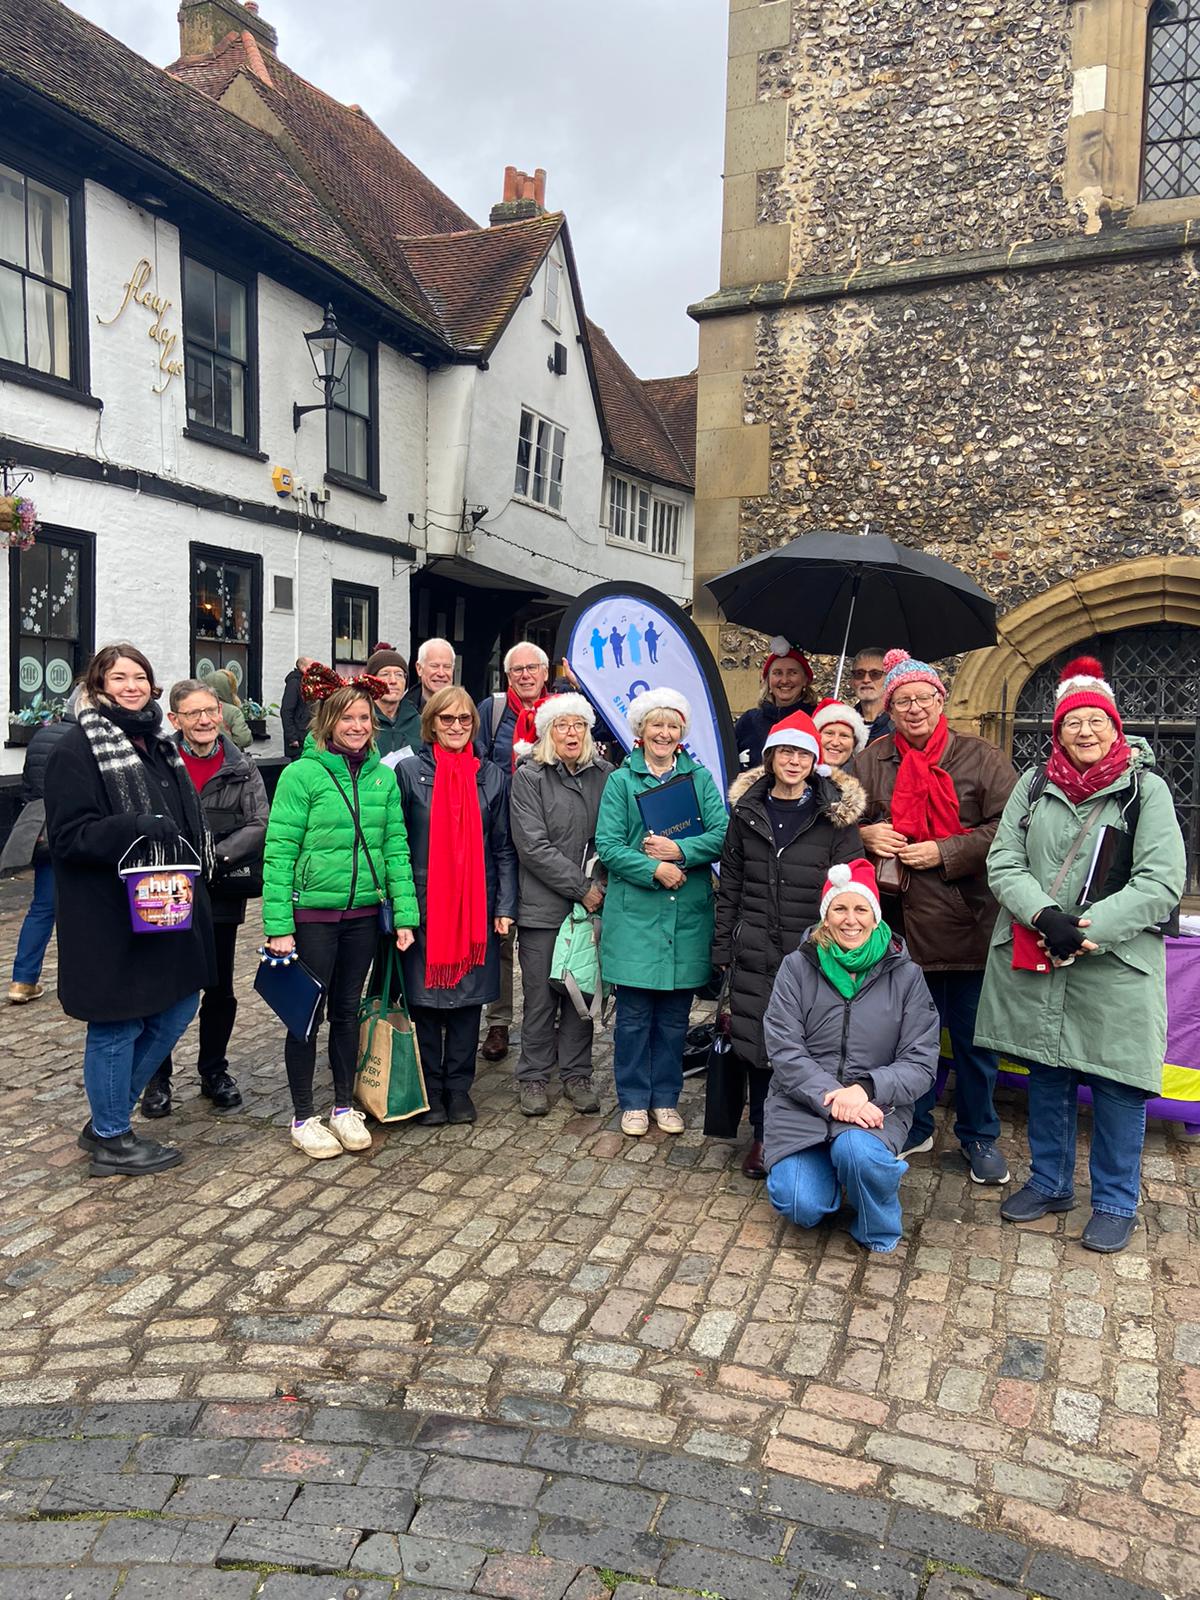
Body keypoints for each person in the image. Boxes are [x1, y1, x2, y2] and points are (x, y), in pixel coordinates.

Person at [976, 656, 1185, 1253]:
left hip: (1113, 962)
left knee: (1117, 1084)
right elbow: (1004, 861)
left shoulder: (1146, 791)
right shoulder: (1033, 785)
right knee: (1049, 1072)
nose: (1085, 731)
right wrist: (1045, 916)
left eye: (1096, 720)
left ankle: (1116, 1201)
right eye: (1073, 722)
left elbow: (1161, 880)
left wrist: (1089, 930)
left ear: (1114, 726)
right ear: (1059, 731)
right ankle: (1050, 1183)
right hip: (1041, 948)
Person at [43, 643, 216, 1177]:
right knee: (116, 1026)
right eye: (119, 677)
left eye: (139, 676)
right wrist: (133, 827)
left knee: (179, 1006)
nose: (132, 686)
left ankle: (106, 1117)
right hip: (109, 917)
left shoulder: (158, 743)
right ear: (98, 684)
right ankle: (113, 1137)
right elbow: (68, 838)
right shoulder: (77, 749)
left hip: (164, 907)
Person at [855, 650, 1017, 1184]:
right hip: (900, 926)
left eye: (924, 697)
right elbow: (836, 818)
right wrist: (864, 834)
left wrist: (946, 851)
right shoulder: (871, 760)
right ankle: (915, 1123)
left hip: (968, 921)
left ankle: (979, 1135)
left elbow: (1011, 827)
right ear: (890, 708)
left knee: (974, 1043)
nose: (915, 708)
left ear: (940, 700)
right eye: (903, 701)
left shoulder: (981, 757)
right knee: (907, 1040)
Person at [263, 667, 418, 1159]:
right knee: (306, 1015)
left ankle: (343, 1106)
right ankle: (303, 1115)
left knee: (348, 1012)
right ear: (328, 721)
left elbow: (395, 848)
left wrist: (405, 915)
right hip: (313, 914)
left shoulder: (382, 777)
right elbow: (279, 852)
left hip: (363, 914)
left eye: (365, 718)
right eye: (348, 718)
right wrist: (278, 926)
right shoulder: (300, 775)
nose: (357, 726)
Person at [713, 709, 866, 1178]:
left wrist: (843, 946)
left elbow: (851, 886)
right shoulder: (747, 813)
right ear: (770, 757)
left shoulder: (833, 817)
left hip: (811, 950)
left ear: (814, 759)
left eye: (803, 753)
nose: (794, 761)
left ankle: (804, 1131)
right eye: (785, 752)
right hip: (755, 945)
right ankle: (763, 1133)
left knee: (808, 1043)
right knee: (761, 1042)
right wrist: (723, 946)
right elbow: (731, 883)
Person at [762, 859, 939, 1252]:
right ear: (826, 916)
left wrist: (865, 1089)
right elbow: (784, 1048)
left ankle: (877, 1221)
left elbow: (921, 1062)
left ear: (875, 916)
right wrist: (835, 1097)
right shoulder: (797, 967)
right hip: (802, 1106)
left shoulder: (906, 976)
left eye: (861, 909)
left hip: (876, 1107)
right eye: (839, 908)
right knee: (799, 1205)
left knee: (857, 1150)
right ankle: (830, 1174)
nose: (850, 920)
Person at [596, 689, 727, 1136]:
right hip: (636, 916)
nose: (665, 733)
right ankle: (634, 1100)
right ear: (641, 729)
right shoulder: (621, 781)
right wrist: (654, 869)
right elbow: (608, 845)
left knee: (674, 1019)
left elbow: (722, 834)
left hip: (686, 916)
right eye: (657, 724)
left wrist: (681, 852)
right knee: (633, 1018)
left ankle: (666, 1098)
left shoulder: (700, 779)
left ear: (681, 732)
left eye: (673, 726)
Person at [139, 678, 269, 1118]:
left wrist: (216, 856)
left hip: (221, 887)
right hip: (169, 887)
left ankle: (214, 1070)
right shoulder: (157, 761)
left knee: (219, 987)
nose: (204, 720)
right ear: (175, 719)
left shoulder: (241, 766)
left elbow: (259, 821)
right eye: (193, 713)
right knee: (165, 986)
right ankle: (156, 1078)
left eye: (210, 711)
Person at [394, 685, 517, 1124]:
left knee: (467, 1001)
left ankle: (459, 1088)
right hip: (425, 904)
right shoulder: (408, 772)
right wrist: (401, 907)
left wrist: (505, 905)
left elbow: (503, 848)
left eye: (465, 719)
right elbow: (397, 844)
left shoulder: (492, 776)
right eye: (447, 718)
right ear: (431, 723)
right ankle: (430, 1087)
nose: (457, 726)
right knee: (425, 1001)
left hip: (475, 905)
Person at [508, 694, 613, 1116]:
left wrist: (599, 885)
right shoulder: (530, 777)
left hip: (591, 906)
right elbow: (532, 846)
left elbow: (615, 835)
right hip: (544, 907)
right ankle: (533, 1076)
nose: (571, 733)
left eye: (579, 725)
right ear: (548, 732)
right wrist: (581, 887)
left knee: (580, 992)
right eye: (562, 725)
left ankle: (576, 1073)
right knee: (540, 996)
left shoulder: (605, 775)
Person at [477, 642, 552, 1062]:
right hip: (501, 837)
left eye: (532, 668)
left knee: (547, 936)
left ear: (545, 672)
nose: (525, 675)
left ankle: (546, 1023)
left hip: (545, 836)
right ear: (508, 676)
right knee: (502, 933)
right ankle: (499, 1022)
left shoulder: (560, 711)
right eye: (517, 670)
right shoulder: (493, 712)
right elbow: (479, 766)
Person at [3, 697, 77, 1003]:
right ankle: (83, 976)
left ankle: (22, 979)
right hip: (77, 827)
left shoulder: (41, 736)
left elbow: (28, 784)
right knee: (87, 906)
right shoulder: (86, 738)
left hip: (43, 829)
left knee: (43, 907)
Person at [734, 637, 817, 770]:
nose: (784, 680)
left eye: (792, 673)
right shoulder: (749, 721)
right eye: (777, 673)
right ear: (768, 680)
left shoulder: (817, 720)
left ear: (805, 680)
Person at [365, 646, 421, 758]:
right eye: (385, 674)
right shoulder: (362, 720)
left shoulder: (418, 723)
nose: (393, 681)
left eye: (399, 674)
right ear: (372, 681)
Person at [849, 648, 893, 743]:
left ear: (890, 679)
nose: (866, 680)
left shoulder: (901, 726)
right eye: (859, 673)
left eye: (875, 674)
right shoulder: (843, 724)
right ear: (852, 681)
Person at [812, 698, 869, 772]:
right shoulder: (800, 775)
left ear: (854, 743)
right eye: (829, 733)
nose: (835, 743)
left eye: (844, 736)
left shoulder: (867, 776)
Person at [203, 668, 252, 751]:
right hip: (229, 756)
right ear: (229, 688)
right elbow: (244, 739)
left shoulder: (197, 708)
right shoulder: (233, 711)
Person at [280, 656, 315, 761]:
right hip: (298, 740)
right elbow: (286, 711)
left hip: (307, 736)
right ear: (303, 668)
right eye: (312, 666)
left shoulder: (308, 684)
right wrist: (292, 738)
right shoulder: (294, 683)